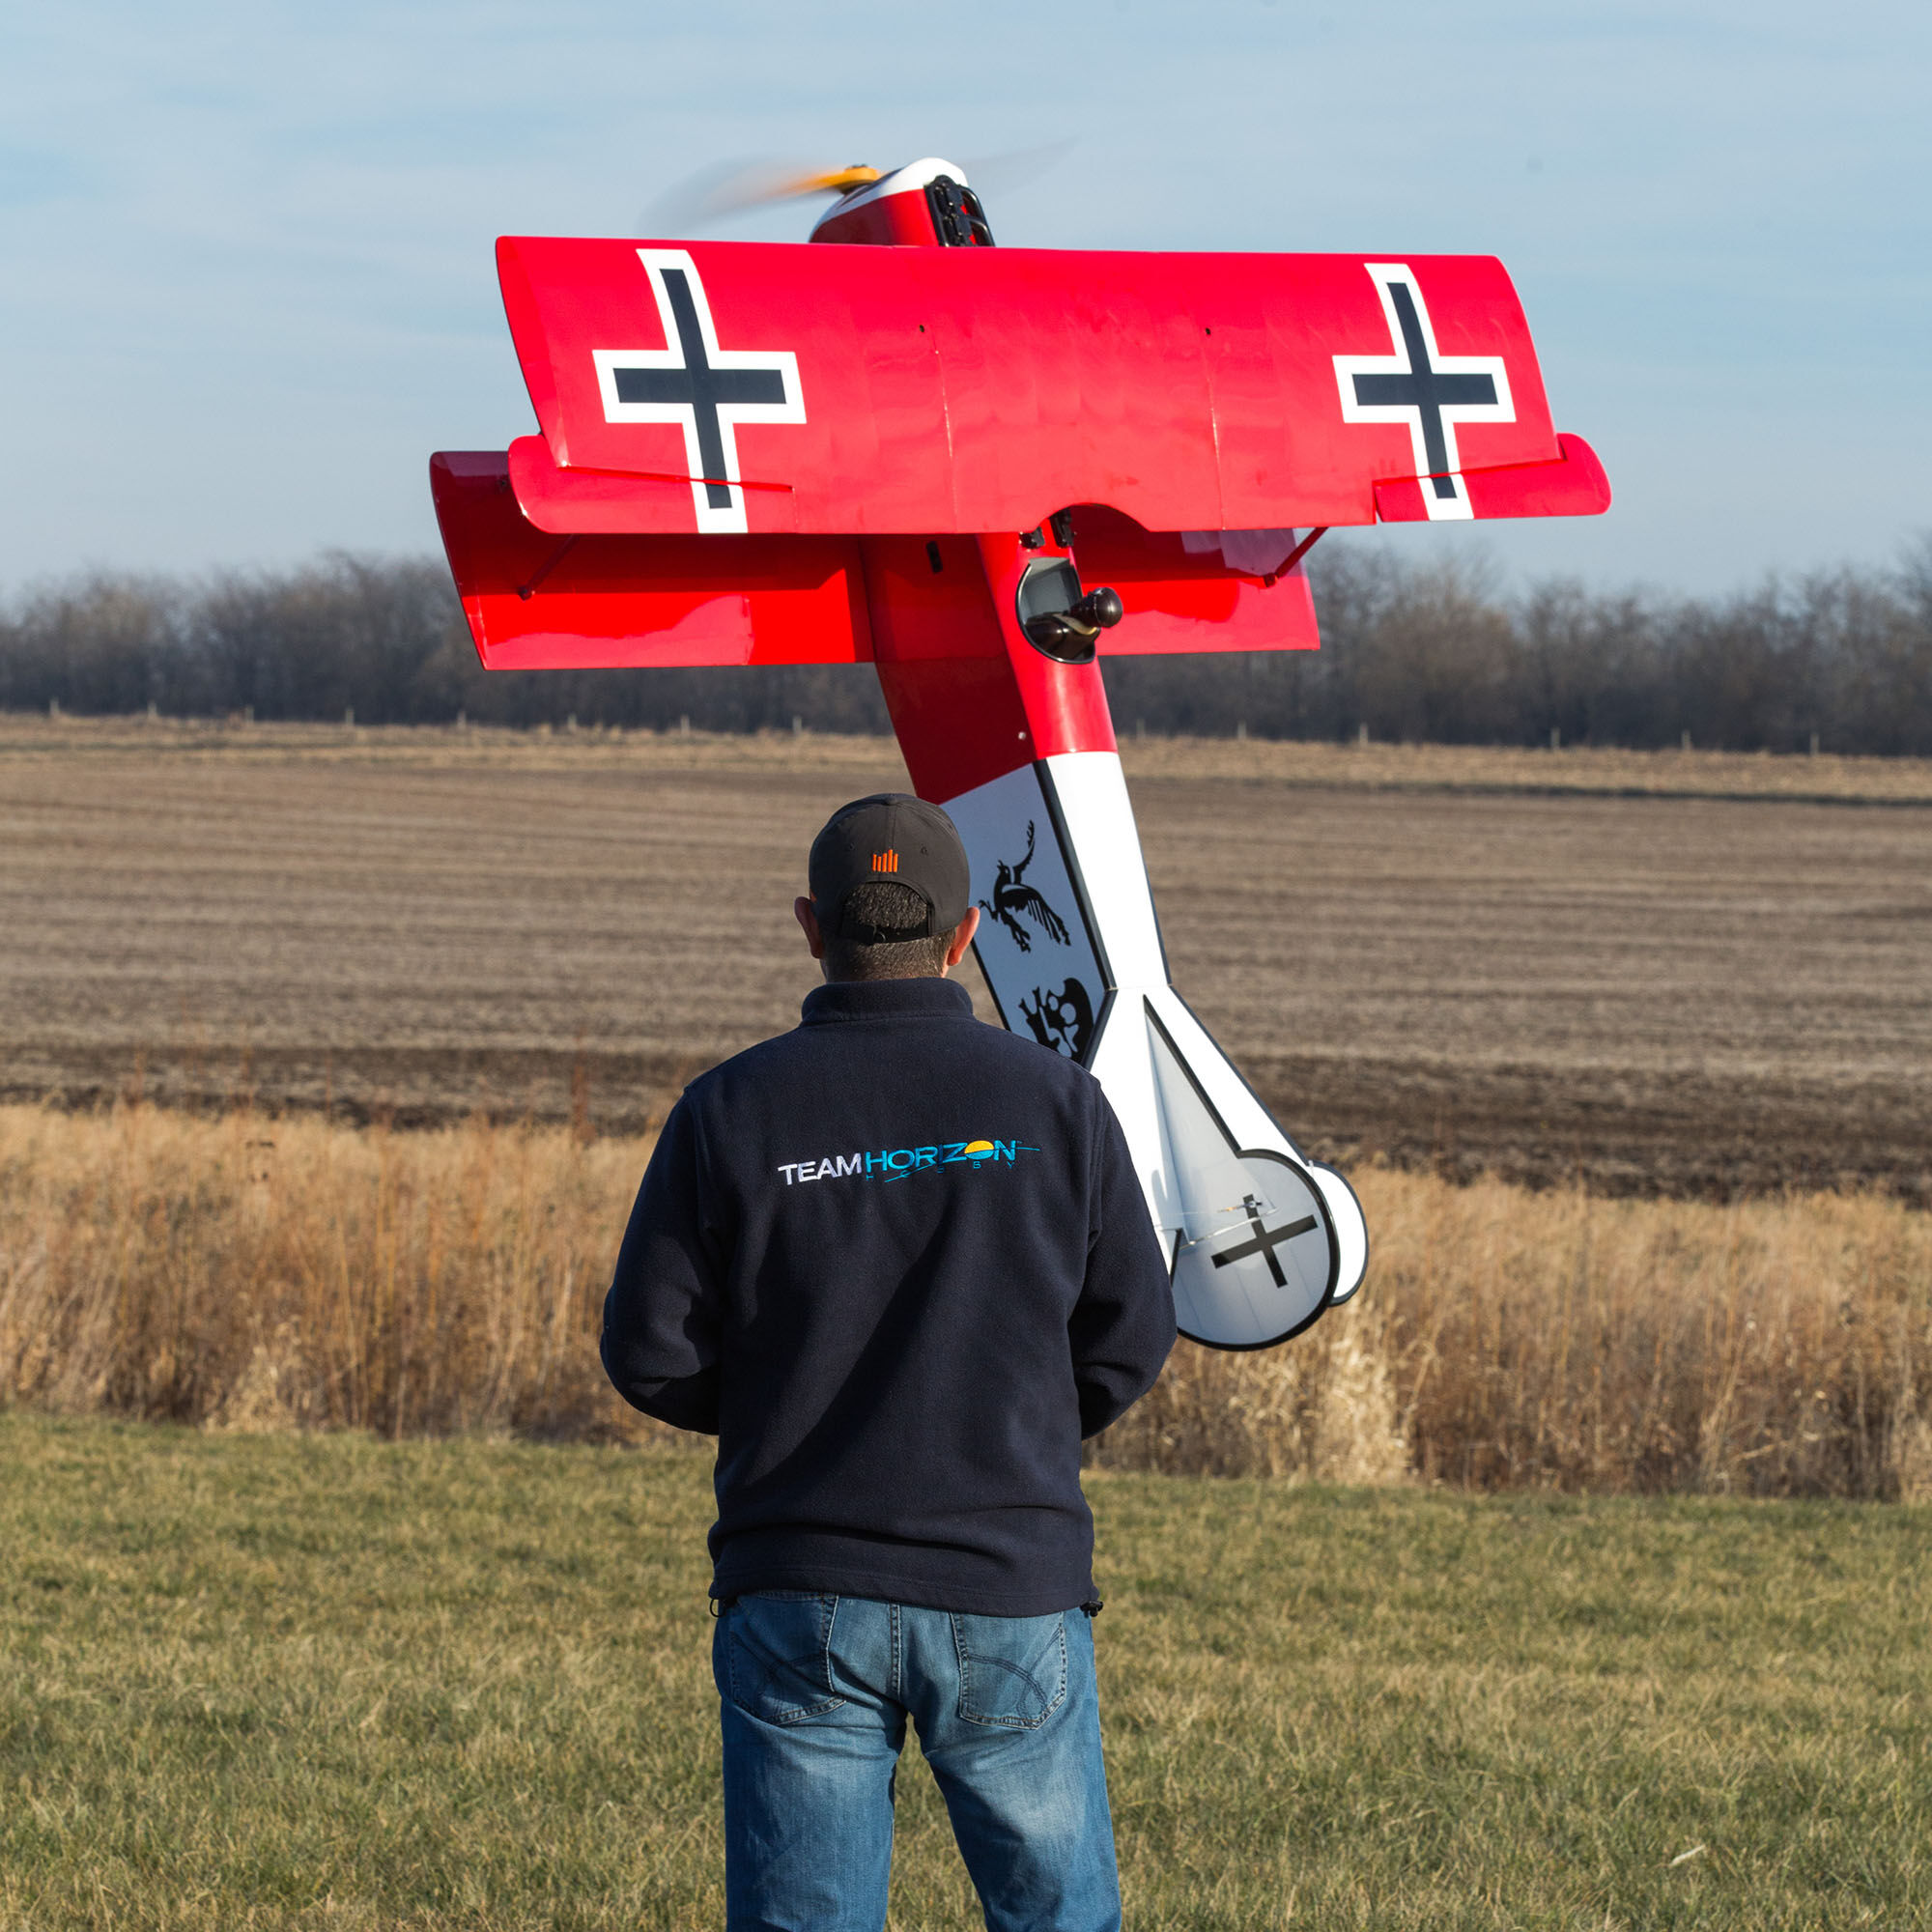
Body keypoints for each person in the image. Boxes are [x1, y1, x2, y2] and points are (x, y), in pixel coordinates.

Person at [602, 790, 1176, 1932]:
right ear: (966, 934)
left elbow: (646, 1349)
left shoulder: (725, 1110)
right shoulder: (1058, 1103)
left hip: (796, 1580)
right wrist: (1010, 1422)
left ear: (810, 926)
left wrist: (788, 1409)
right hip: (1009, 1573)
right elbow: (1131, 1330)